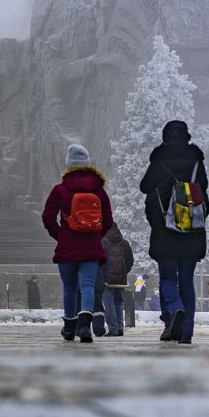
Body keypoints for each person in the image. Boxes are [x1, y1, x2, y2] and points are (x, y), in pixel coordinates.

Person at [140, 120, 208, 344]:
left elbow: (145, 186)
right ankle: (187, 332)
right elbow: (203, 190)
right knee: (187, 281)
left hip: (164, 230)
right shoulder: (196, 159)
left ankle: (175, 309)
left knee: (168, 277)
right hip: (191, 230)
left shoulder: (159, 159)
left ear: (165, 136)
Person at [42, 144, 113, 343]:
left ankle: (69, 327)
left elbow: (48, 217)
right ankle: (84, 326)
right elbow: (108, 220)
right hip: (91, 248)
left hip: (67, 248)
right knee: (88, 287)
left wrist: (61, 235)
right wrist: (95, 236)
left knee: (70, 289)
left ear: (69, 165)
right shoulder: (99, 191)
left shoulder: (60, 189)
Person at [100, 224, 134, 337]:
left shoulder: (103, 242)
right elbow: (130, 261)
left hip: (107, 279)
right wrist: (124, 272)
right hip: (121, 280)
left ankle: (113, 329)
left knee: (109, 304)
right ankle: (120, 328)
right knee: (119, 303)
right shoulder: (124, 243)